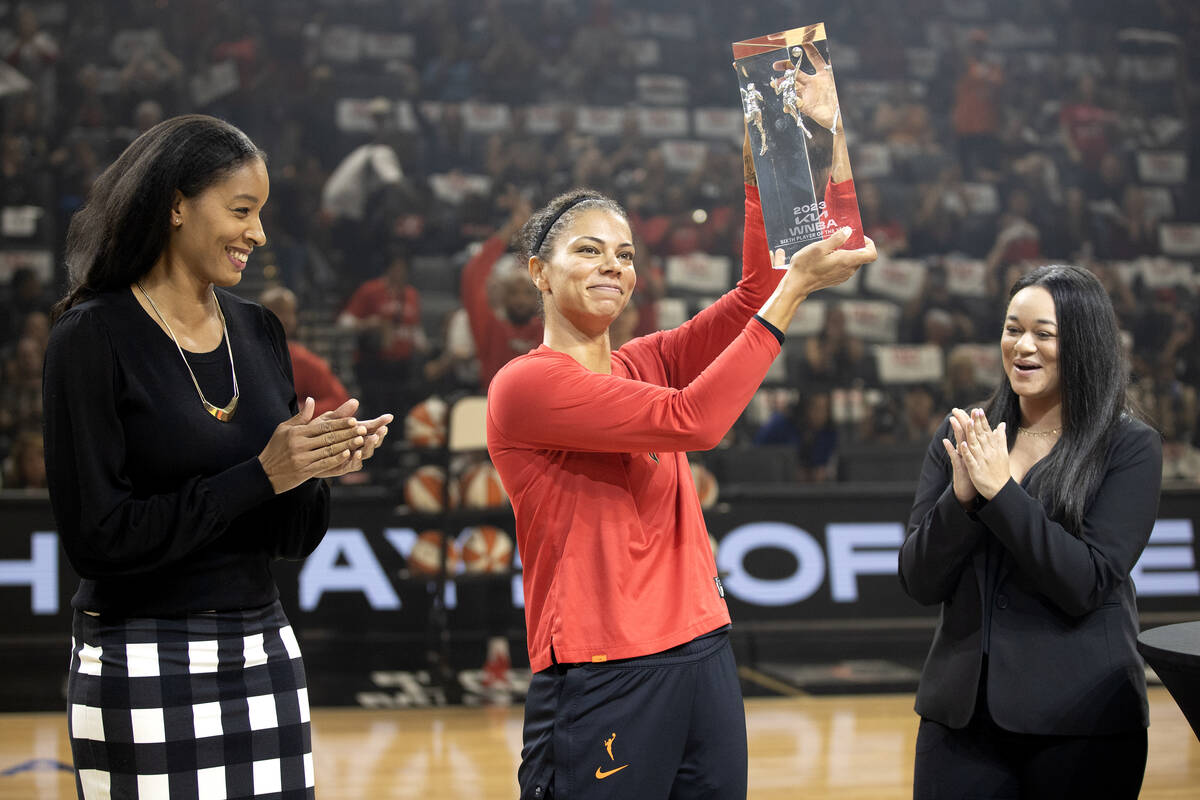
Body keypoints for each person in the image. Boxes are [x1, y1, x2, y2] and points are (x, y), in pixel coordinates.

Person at [487, 131, 876, 799]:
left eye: (625, 254)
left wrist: (766, 169)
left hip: (702, 651)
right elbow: (695, 421)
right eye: (588, 250)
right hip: (604, 668)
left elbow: (760, 287)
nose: (613, 265)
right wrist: (797, 297)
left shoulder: (646, 361)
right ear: (537, 272)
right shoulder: (526, 386)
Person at [43, 114, 392, 800]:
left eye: (261, 213)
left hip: (260, 644)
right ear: (176, 203)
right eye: (241, 210)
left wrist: (313, 467)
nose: (258, 234)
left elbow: (291, 536)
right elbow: (99, 539)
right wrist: (262, 473)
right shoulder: (91, 337)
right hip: (137, 651)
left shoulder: (259, 331)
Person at [899, 264, 1162, 799]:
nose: (1023, 346)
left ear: (1084, 344)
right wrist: (963, 498)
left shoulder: (1129, 448)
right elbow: (919, 580)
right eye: (1013, 328)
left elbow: (1084, 581)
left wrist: (1002, 494)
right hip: (960, 722)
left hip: (1083, 723)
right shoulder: (965, 436)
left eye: (1045, 334)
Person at [261, 285, 351, 417]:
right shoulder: (241, 352)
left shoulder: (302, 359)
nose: (285, 319)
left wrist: (299, 411)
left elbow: (340, 401)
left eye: (289, 312)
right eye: (277, 311)